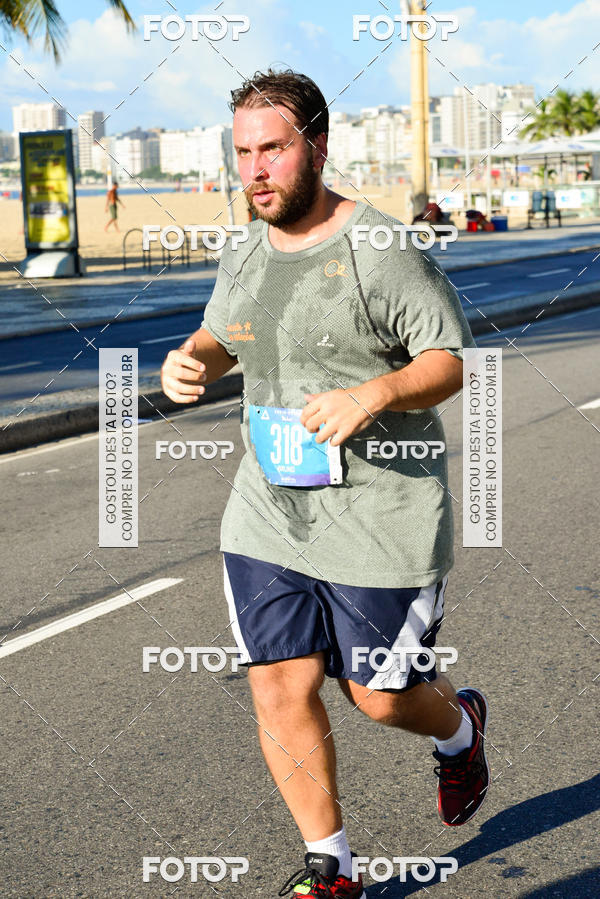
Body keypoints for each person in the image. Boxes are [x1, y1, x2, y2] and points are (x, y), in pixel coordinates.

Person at [161, 68, 489, 899]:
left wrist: (373, 393)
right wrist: (189, 360)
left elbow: (448, 358)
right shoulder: (242, 250)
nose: (256, 170)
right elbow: (219, 335)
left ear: (316, 145)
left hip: (383, 509)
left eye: (272, 148)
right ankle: (331, 865)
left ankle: (459, 728)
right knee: (279, 679)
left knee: (378, 696)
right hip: (269, 510)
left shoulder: (380, 248)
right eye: (242, 153)